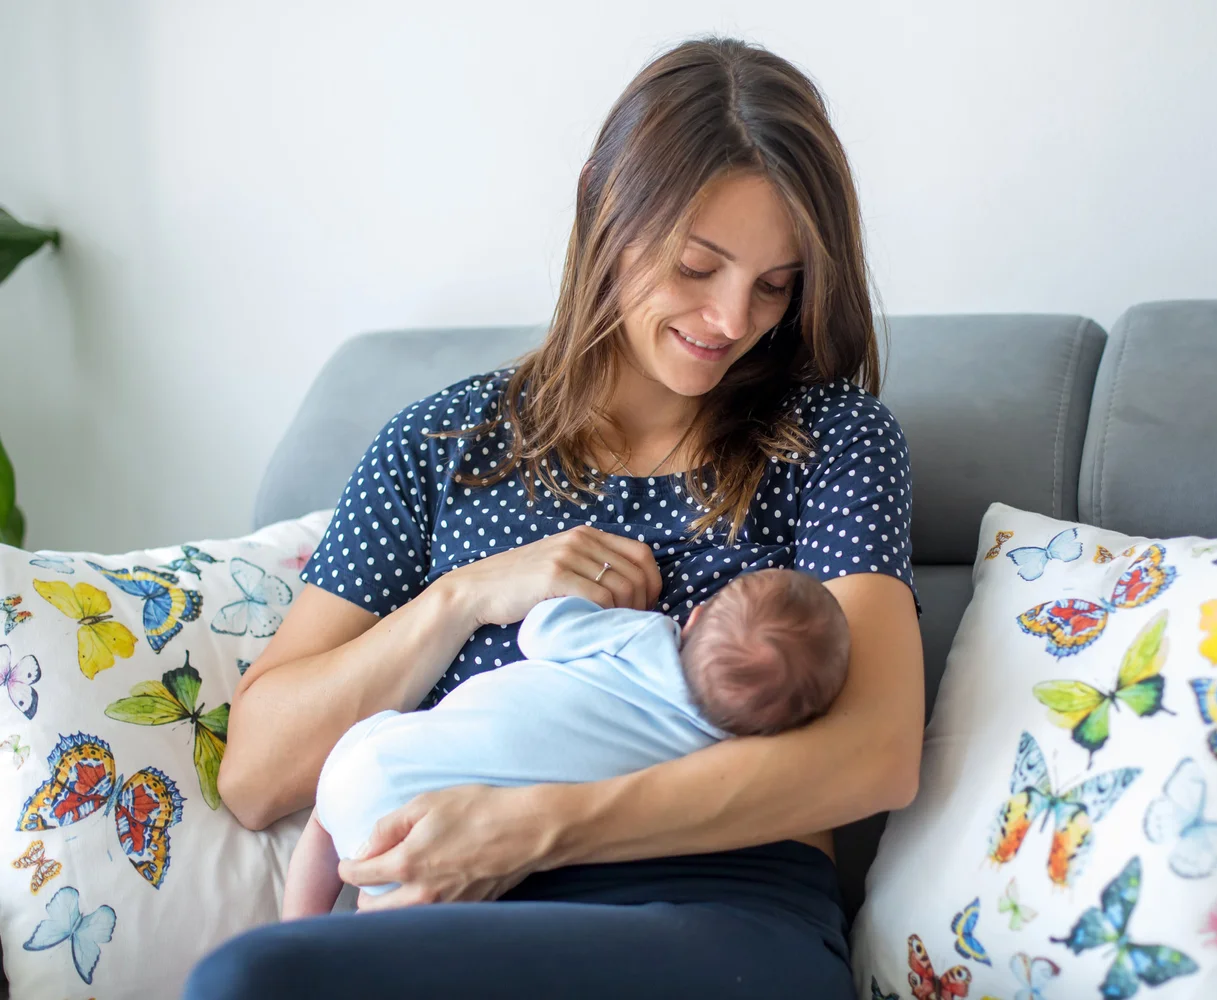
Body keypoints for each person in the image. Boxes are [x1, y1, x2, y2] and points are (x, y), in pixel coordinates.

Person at [186, 34, 924, 1000]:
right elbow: (257, 773)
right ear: (604, 209)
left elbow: (873, 755)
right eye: (698, 267)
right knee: (249, 979)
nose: (733, 319)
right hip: (452, 918)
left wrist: (539, 823)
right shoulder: (438, 446)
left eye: (775, 285)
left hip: (721, 910)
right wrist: (460, 598)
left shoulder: (831, 438)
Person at [281, 567, 851, 918]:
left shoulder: (643, 635)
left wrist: (609, 610)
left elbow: (542, 630)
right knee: (389, 915)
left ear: (696, 616)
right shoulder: (706, 759)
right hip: (437, 840)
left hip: (381, 759)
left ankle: (297, 929)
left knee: (327, 821)